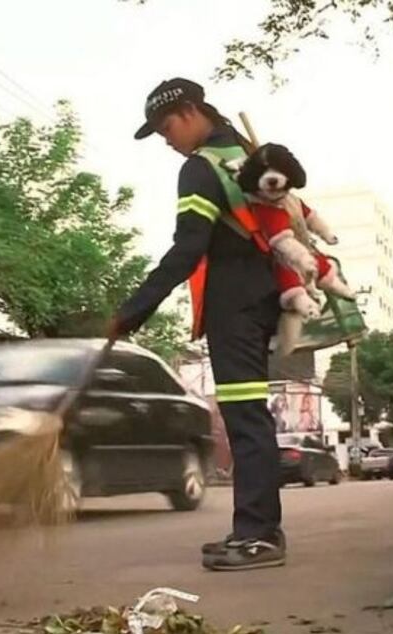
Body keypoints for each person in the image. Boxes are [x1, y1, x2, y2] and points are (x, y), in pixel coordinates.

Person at [109, 78, 285, 571]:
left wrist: (133, 310)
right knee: (248, 417)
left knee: (247, 419)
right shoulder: (246, 153)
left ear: (189, 112)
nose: (167, 141)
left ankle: (259, 536)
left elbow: (188, 248)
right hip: (261, 299)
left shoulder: (201, 168)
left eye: (167, 128)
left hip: (237, 306)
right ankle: (253, 528)